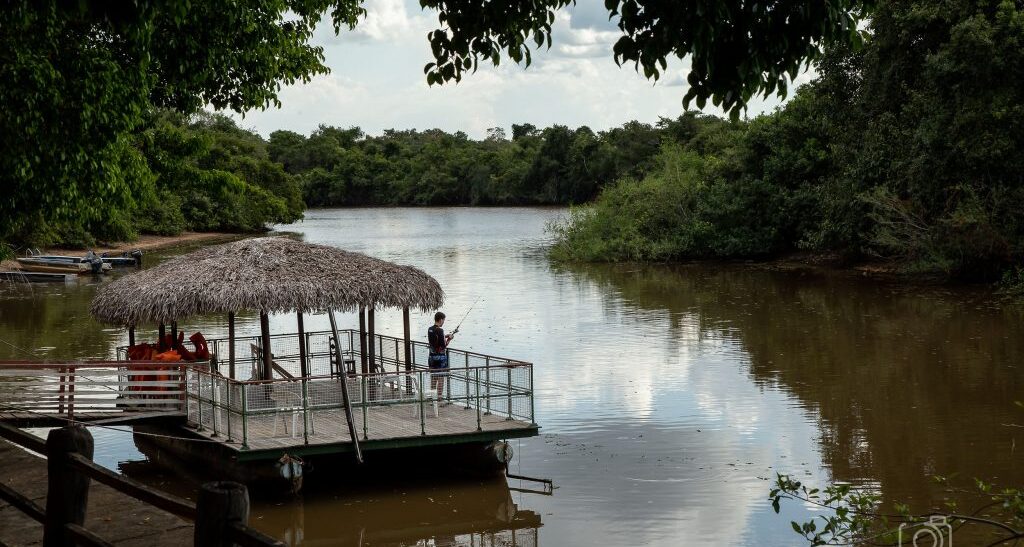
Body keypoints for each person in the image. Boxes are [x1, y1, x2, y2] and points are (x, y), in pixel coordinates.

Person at [427, 311, 453, 399]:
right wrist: (449, 339)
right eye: (443, 320)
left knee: (433, 377)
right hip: (440, 358)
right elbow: (443, 346)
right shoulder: (440, 330)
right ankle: (439, 397)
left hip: (431, 357)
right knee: (441, 378)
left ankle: (432, 396)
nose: (443, 322)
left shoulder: (430, 329)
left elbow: (435, 339)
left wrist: (445, 336)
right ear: (440, 319)